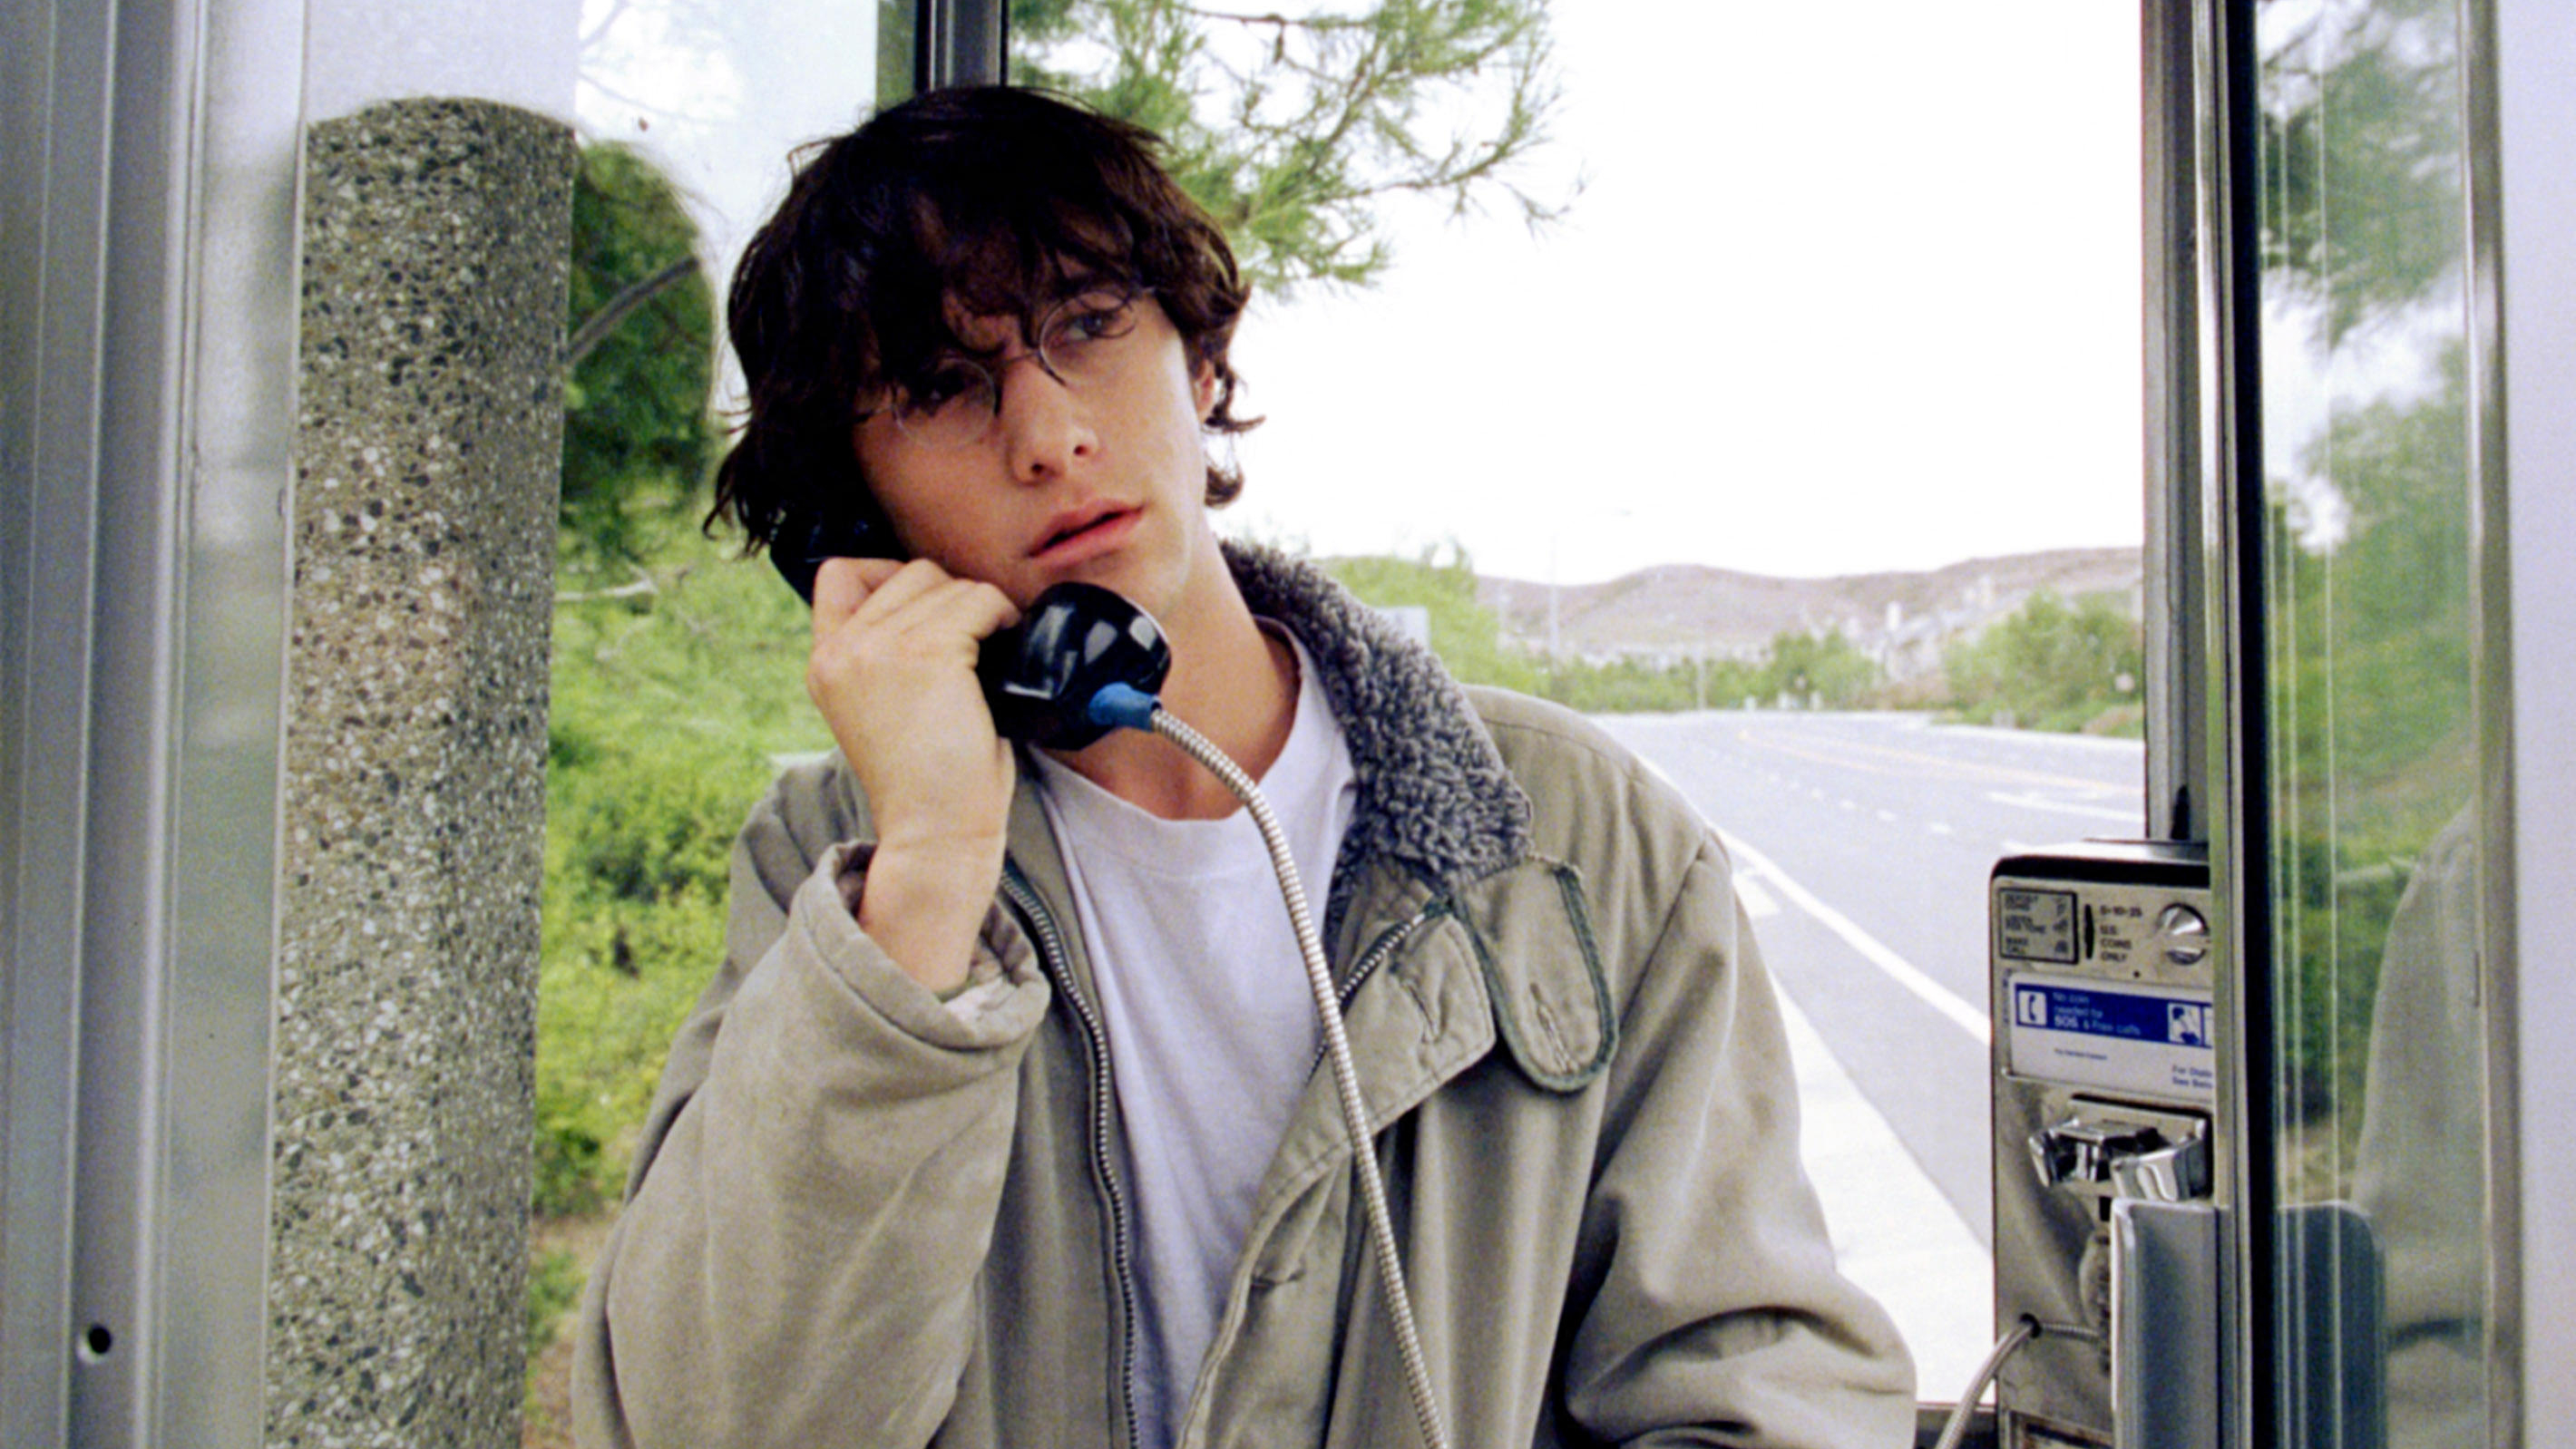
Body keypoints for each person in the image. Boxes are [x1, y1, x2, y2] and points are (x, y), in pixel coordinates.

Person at [571, 84, 1914, 1449]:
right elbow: (707, 1421)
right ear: (866, 512)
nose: (1045, 435)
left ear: (1199, 358)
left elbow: (1764, 1389)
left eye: (1088, 327)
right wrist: (922, 887)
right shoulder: (837, 868)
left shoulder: (1574, 835)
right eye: (938, 388)